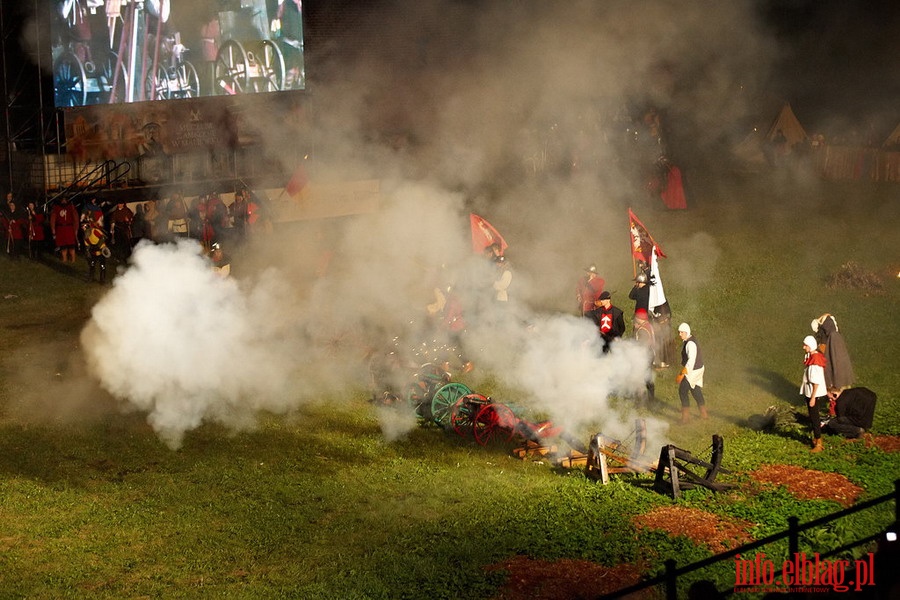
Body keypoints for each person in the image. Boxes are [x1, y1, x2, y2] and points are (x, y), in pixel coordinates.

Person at [811, 314, 854, 393]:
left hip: (834, 364)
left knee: (836, 378)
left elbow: (823, 349)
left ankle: (835, 393)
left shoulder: (832, 337)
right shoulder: (835, 335)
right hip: (837, 363)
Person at [800, 335, 827, 452]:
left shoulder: (815, 360)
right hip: (810, 393)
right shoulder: (812, 356)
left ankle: (819, 443)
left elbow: (816, 381)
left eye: (805, 345)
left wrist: (813, 397)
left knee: (815, 417)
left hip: (813, 394)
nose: (803, 347)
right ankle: (817, 440)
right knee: (812, 416)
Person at [676, 322, 707, 423]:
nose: (680, 334)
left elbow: (691, 361)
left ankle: (685, 418)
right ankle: (704, 414)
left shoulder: (690, 344)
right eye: (679, 332)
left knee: (683, 391)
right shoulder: (690, 340)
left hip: (693, 371)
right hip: (698, 369)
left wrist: (682, 374)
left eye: (682, 332)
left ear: (687, 332)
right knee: (695, 390)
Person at [82, 210, 110, 283]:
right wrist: (88, 253)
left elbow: (102, 238)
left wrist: (98, 246)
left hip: (101, 249)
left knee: (102, 265)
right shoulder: (85, 237)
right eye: (82, 227)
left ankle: (102, 280)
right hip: (94, 251)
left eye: (84, 226)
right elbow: (87, 246)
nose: (83, 228)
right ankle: (91, 278)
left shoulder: (95, 231)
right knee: (92, 264)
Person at [50, 197, 80, 263]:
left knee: (71, 245)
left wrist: (76, 228)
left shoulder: (71, 208)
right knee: (63, 245)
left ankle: (73, 260)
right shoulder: (56, 208)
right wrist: (53, 230)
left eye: (64, 200)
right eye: (62, 200)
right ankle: (64, 259)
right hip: (60, 229)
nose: (63, 201)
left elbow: (75, 218)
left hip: (69, 228)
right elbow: (53, 219)